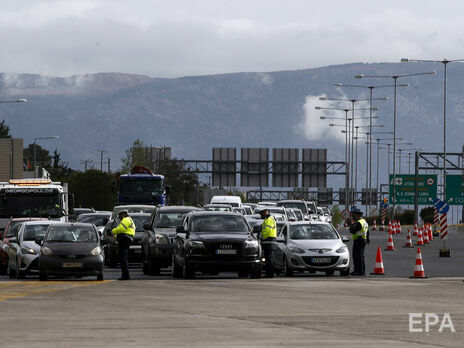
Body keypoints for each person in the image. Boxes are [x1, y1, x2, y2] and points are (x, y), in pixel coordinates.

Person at [112, 210, 135, 280]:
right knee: (123, 258)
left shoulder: (125, 219)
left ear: (124, 214)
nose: (119, 216)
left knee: (123, 258)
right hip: (126, 239)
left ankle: (125, 275)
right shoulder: (129, 219)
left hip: (125, 239)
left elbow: (121, 229)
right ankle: (125, 275)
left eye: (120, 215)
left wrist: (112, 231)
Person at [348, 208, 370, 276]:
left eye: (354, 215)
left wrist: (351, 224)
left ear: (358, 215)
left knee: (357, 256)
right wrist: (367, 239)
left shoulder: (359, 223)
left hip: (358, 240)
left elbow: (352, 231)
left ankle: (358, 271)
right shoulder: (364, 222)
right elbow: (368, 231)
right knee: (361, 256)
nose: (353, 217)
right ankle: (361, 271)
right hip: (363, 240)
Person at [257, 207, 277, 278]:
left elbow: (268, 231)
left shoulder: (269, 220)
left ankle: (270, 274)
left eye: (261, 214)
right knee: (269, 258)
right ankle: (270, 273)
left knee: (269, 258)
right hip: (269, 241)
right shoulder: (267, 220)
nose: (261, 216)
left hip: (269, 241)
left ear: (265, 212)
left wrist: (262, 237)